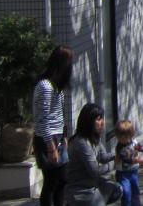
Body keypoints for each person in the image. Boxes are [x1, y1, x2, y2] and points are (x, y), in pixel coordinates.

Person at [32, 46, 74, 206]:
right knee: (51, 182)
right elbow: (42, 119)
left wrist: (64, 137)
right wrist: (51, 147)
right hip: (47, 139)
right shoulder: (45, 86)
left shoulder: (57, 88)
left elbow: (59, 116)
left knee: (62, 179)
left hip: (58, 137)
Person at [63, 103, 121, 206]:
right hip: (79, 189)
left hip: (92, 184)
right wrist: (115, 164)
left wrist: (119, 155)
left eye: (102, 118)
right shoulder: (81, 143)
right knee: (100, 200)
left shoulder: (94, 137)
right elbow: (95, 171)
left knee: (117, 189)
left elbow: (103, 157)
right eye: (98, 120)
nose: (102, 122)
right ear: (89, 122)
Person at [112, 120, 143, 206]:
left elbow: (139, 147)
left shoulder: (134, 142)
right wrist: (139, 160)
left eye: (126, 137)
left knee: (135, 191)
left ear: (131, 135)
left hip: (133, 172)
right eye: (120, 138)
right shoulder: (120, 147)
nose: (123, 140)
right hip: (123, 174)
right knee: (126, 192)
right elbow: (127, 159)